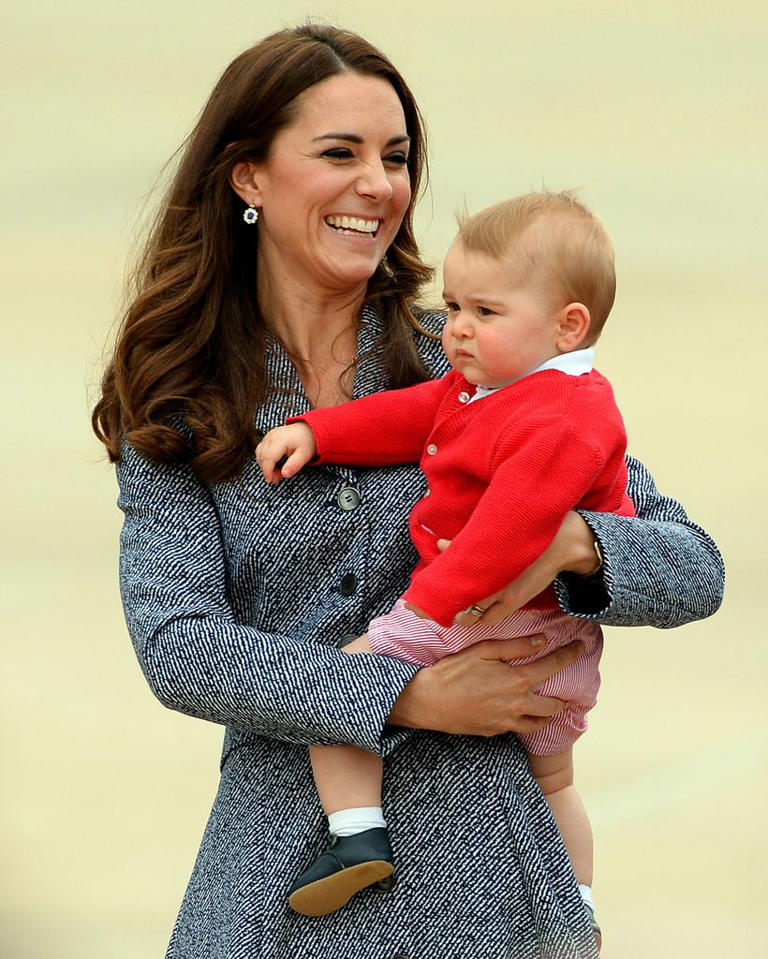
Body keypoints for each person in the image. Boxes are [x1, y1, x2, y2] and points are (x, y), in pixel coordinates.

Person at [91, 23, 724, 959]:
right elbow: (180, 648)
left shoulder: (479, 356)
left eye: (395, 157)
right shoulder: (184, 400)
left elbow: (695, 567)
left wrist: (576, 545)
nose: (378, 185)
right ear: (248, 177)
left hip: (492, 890)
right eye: (339, 154)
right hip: (274, 890)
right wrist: (408, 694)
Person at [256, 191, 632, 937]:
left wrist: (430, 602)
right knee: (555, 782)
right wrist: (319, 431)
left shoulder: (560, 415)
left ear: (569, 324)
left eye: (484, 313)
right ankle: (576, 907)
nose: (456, 328)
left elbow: (508, 529)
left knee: (339, 689)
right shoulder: (497, 385)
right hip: (556, 649)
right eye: (454, 304)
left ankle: (357, 832)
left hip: (483, 619)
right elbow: (412, 414)